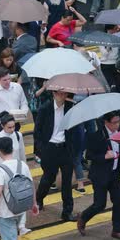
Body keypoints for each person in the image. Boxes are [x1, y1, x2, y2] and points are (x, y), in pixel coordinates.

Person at [77, 112, 120, 240]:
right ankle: (83, 217)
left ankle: (117, 230)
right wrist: (104, 156)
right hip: (100, 175)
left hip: (114, 173)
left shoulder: (119, 133)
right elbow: (88, 155)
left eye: (119, 121)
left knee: (118, 202)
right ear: (106, 122)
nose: (118, 124)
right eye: (114, 122)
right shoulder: (97, 136)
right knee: (100, 204)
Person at [34, 90, 77, 221]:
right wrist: (42, 150)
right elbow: (37, 132)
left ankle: (67, 212)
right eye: (58, 93)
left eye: (64, 94)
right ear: (53, 93)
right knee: (48, 178)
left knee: (66, 182)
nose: (61, 96)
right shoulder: (44, 109)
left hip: (65, 148)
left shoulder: (71, 108)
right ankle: (39, 199)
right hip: (50, 148)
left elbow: (74, 130)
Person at [0, 112, 30, 235]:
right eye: (9, 127)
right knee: (4, 200)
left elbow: (22, 154)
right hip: (3, 173)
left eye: (14, 126)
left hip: (17, 171)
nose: (12, 129)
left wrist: (24, 170)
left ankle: (22, 226)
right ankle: (2, 221)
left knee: (21, 196)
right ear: (2, 126)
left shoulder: (18, 136)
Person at [0, 67, 29, 135]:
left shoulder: (17, 87)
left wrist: (24, 113)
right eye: (4, 80)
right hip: (0, 125)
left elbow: (24, 103)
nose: (8, 82)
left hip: (15, 123)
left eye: (9, 79)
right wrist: (3, 118)